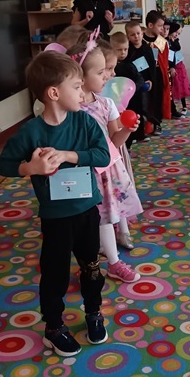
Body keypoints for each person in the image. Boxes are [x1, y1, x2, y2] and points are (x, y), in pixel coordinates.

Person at [0, 52, 110, 357]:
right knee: (55, 273)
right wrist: (29, 168)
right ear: (54, 93)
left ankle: (94, 312)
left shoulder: (84, 121)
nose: (83, 93)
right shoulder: (31, 132)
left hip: (87, 211)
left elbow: (103, 155)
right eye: (77, 87)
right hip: (56, 218)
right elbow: (2, 165)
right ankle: (54, 327)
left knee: (91, 267)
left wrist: (69, 155)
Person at [74, 31, 143, 277]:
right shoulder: (71, 108)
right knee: (89, 219)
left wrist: (127, 130)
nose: (107, 76)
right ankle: (95, 260)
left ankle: (113, 262)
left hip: (106, 169)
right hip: (83, 171)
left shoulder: (106, 104)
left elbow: (114, 140)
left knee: (104, 217)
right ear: (80, 76)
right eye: (101, 72)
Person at [126, 20, 157, 139]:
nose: (136, 36)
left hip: (146, 84)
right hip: (133, 85)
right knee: (134, 108)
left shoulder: (147, 49)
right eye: (133, 34)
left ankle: (144, 131)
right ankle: (134, 134)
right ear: (128, 37)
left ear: (142, 33)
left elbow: (152, 67)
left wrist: (151, 80)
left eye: (138, 33)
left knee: (145, 107)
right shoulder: (128, 51)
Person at [143, 10, 172, 123]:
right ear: (150, 25)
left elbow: (165, 61)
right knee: (146, 99)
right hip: (145, 74)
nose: (162, 29)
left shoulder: (162, 42)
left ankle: (157, 122)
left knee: (158, 98)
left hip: (158, 74)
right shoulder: (140, 40)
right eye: (159, 26)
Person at [168, 20, 190, 115]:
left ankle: (184, 106)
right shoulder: (167, 42)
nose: (177, 35)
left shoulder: (175, 41)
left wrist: (173, 41)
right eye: (175, 33)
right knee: (174, 86)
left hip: (179, 65)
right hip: (173, 66)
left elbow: (177, 48)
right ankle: (172, 106)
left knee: (182, 84)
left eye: (179, 34)